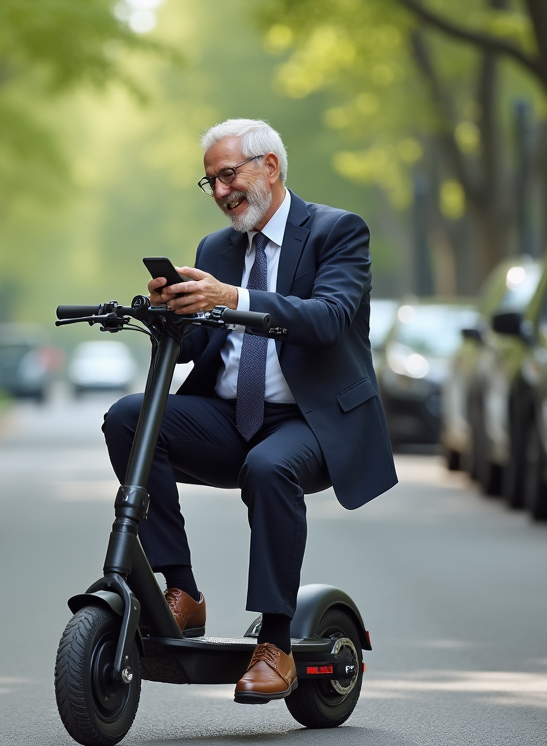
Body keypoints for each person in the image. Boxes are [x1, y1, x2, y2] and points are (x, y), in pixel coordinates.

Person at [102, 118, 397, 703]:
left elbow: (328, 318)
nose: (219, 192)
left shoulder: (338, 232)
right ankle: (181, 591)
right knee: (127, 418)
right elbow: (197, 348)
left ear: (270, 166)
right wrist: (173, 313)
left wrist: (232, 298)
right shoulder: (216, 249)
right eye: (209, 181)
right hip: (229, 416)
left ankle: (278, 641)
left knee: (270, 467)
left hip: (310, 423)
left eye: (228, 174)